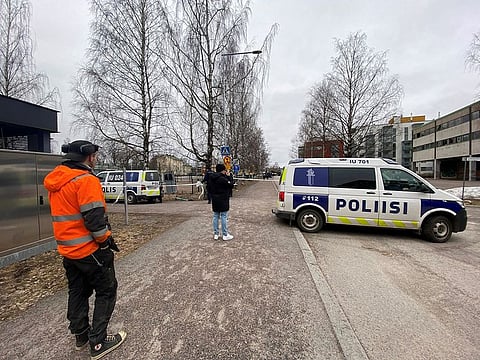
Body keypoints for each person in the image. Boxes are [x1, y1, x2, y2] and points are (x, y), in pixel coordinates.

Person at [43, 140, 126, 360]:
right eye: (96, 156)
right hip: (90, 249)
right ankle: (98, 343)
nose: (96, 159)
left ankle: (81, 335)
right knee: (107, 290)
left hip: (68, 250)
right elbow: (95, 221)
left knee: (77, 291)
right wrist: (106, 242)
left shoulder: (57, 180)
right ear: (90, 157)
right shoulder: (86, 180)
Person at [208, 163, 235, 241]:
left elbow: (209, 188)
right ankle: (225, 234)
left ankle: (216, 234)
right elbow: (231, 185)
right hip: (223, 199)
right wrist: (229, 176)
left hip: (215, 199)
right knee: (224, 216)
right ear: (222, 170)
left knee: (216, 216)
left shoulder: (211, 178)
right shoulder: (223, 179)